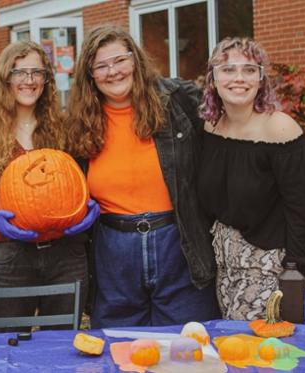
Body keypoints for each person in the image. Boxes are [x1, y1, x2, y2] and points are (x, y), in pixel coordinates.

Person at [65, 26, 221, 328]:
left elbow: (230, 121)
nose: (113, 72)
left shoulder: (178, 101)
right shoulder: (78, 125)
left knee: (187, 346)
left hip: (179, 243)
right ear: (90, 75)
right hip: (113, 250)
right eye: (101, 65)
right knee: (118, 345)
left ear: (135, 60)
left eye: (120, 60)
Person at [0, 41, 99, 330]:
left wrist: (86, 210)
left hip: (66, 251)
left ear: (46, 79)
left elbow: (81, 179)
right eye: (20, 72)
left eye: (37, 72)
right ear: (6, 77)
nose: (29, 80)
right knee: (5, 347)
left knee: (63, 345)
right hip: (10, 254)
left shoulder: (62, 126)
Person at [197, 37, 305, 320]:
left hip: (270, 267)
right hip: (224, 266)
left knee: (264, 355)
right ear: (213, 79)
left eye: (249, 69)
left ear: (261, 79)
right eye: (228, 70)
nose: (239, 78)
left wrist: (295, 272)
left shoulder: (279, 128)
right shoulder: (211, 126)